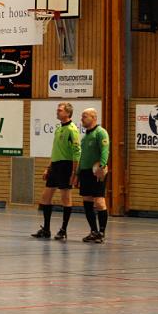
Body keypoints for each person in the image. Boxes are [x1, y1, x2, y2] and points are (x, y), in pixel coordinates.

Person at [32, 102, 81, 241]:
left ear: (67, 113)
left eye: (59, 110)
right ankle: (46, 229)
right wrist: (49, 167)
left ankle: (63, 230)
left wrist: (74, 172)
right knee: (45, 197)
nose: (57, 112)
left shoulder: (72, 130)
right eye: (57, 110)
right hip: (55, 165)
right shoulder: (59, 129)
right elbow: (55, 150)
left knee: (65, 198)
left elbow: (77, 152)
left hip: (66, 166)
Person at [78, 108, 110, 243]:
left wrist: (102, 166)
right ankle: (93, 231)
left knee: (99, 201)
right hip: (85, 172)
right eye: (82, 116)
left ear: (93, 117)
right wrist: (78, 173)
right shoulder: (85, 137)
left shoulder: (100, 133)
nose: (82, 119)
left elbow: (105, 150)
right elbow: (82, 156)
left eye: (84, 116)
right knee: (87, 200)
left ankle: (101, 232)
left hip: (97, 172)